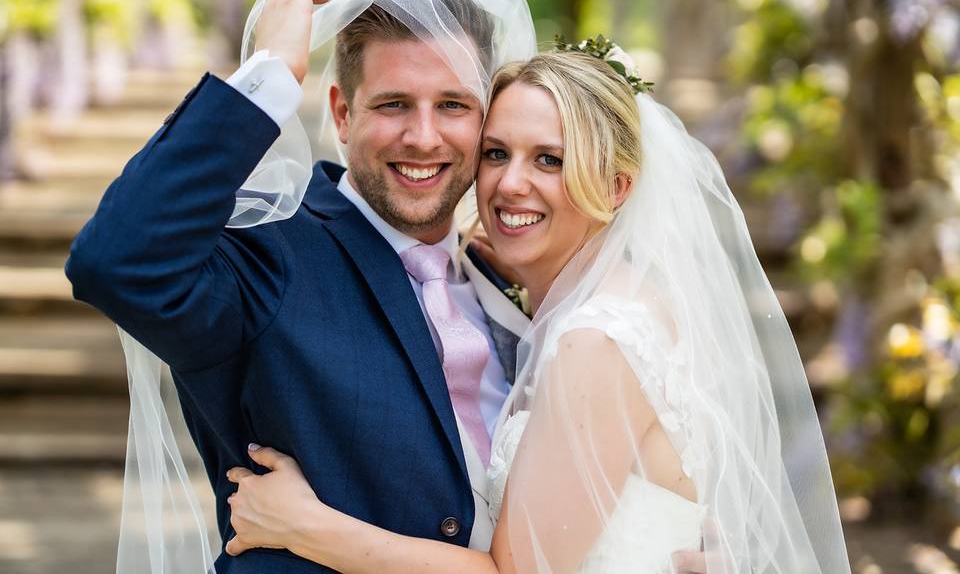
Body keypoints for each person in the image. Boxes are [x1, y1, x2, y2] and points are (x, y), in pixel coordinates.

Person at [220, 47, 852, 571]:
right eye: (497, 153)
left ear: (615, 187)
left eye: (549, 159)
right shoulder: (606, 300)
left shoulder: (595, 342)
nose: (510, 183)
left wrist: (305, 526)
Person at [65, 0, 541, 573]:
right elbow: (115, 262)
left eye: (452, 105)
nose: (424, 136)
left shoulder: (498, 277)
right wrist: (269, 74)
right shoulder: (268, 254)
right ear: (342, 113)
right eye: (394, 103)